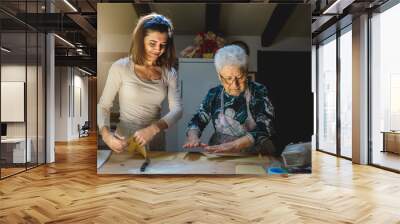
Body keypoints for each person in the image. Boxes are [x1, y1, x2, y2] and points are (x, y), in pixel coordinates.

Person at [98, 13, 183, 153]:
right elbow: (103, 105)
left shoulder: (169, 72)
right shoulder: (120, 67)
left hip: (155, 138)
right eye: (152, 43)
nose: (157, 50)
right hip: (125, 139)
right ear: (140, 40)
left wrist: (153, 129)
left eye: (163, 45)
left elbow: (177, 110)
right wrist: (107, 137)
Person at [183, 45, 277, 155]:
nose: (234, 84)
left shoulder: (258, 91)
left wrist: (234, 145)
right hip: (222, 153)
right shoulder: (214, 94)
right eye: (228, 78)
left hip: (255, 154)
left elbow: (266, 125)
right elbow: (198, 119)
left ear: (246, 72)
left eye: (240, 77)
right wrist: (193, 137)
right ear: (219, 76)